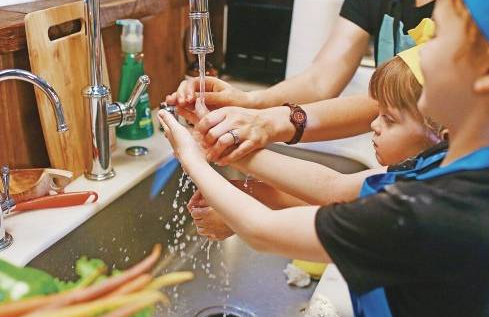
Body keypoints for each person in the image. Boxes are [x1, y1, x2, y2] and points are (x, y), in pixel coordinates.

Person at [158, 0, 489, 317]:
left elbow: (262, 231)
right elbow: (338, 189)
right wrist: (233, 146)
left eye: (438, 38)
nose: (417, 50)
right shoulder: (450, 167)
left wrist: (191, 153)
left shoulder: (428, 212)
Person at [166, 0, 453, 163]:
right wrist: (248, 101)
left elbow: (393, 102)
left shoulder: (480, 2)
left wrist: (268, 122)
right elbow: (320, 80)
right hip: (403, 173)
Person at [189, 40, 445, 240]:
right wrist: (246, 193)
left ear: (441, 134)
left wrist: (219, 148)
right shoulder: (429, 170)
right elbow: (334, 195)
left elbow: (332, 190)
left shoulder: (427, 183)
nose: (373, 124)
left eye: (389, 119)